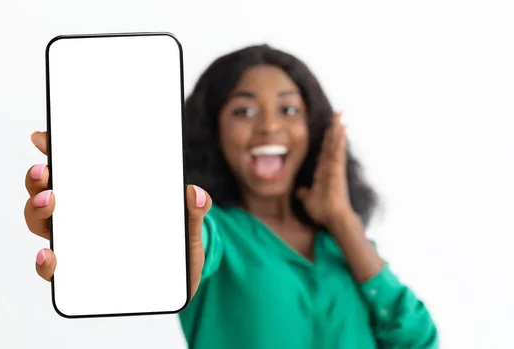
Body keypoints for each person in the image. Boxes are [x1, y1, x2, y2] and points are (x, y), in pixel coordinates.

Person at [24, 44, 438, 348]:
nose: (269, 128)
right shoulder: (214, 229)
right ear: (214, 131)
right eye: (244, 111)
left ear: (313, 128)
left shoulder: (340, 246)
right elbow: (193, 242)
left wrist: (343, 220)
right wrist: (121, 204)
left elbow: (421, 342)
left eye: (289, 110)